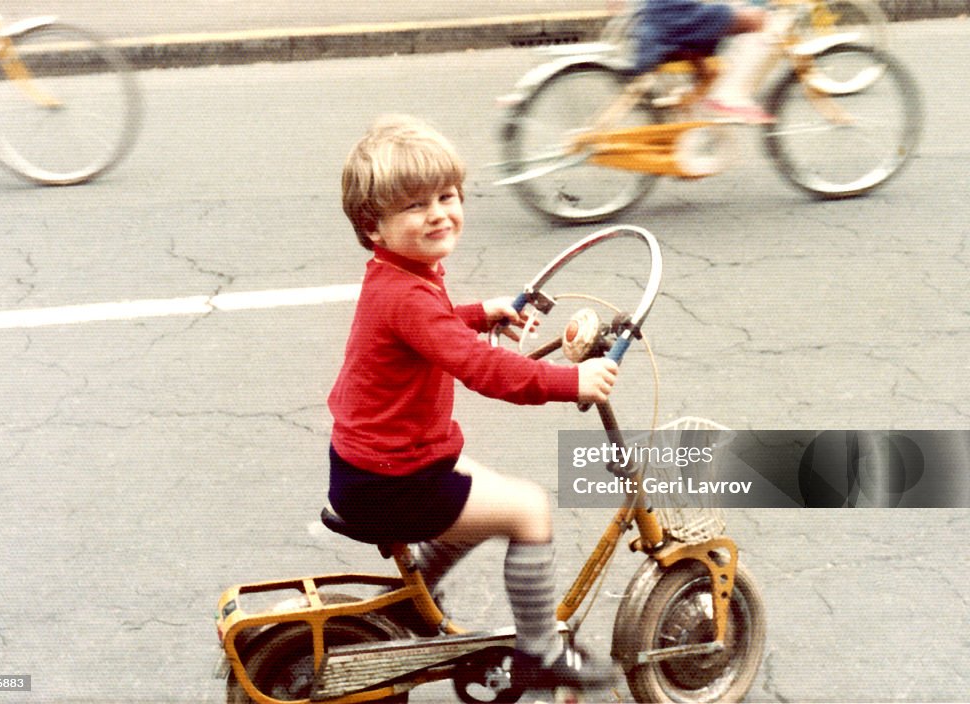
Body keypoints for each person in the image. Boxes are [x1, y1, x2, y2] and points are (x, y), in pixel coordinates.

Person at [327, 115, 617, 692]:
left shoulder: (398, 276)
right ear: (373, 226)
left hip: (377, 467)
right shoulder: (408, 292)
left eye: (446, 196)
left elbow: (428, 328)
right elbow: (481, 368)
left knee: (478, 484)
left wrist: (479, 313)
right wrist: (572, 381)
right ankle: (539, 653)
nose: (437, 212)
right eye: (414, 206)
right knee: (529, 509)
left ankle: (410, 605)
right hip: (391, 480)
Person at [635, 0, 779, 124]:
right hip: (672, 18)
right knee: (756, 19)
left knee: (714, 73)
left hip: (667, 18)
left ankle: (707, 101)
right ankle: (729, 96)